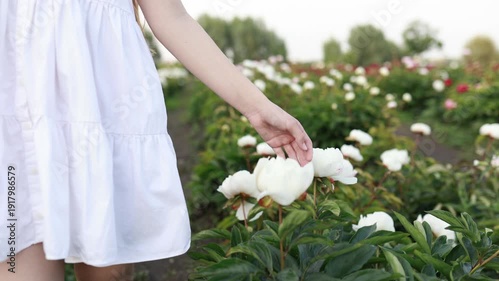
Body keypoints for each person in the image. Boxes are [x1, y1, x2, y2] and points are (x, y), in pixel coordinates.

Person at [0, 0, 313, 280]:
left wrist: (258, 108)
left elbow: (170, 15)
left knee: (111, 271)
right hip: (16, 115)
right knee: (21, 259)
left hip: (104, 107)